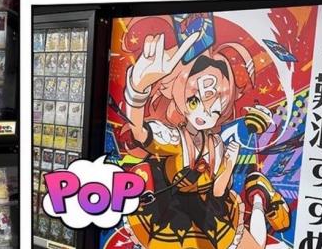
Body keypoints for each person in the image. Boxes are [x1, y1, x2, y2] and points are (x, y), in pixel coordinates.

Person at [120, 27, 290, 249]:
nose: (204, 113)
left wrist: (229, 164)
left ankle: (258, 196)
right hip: (173, 215)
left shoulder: (216, 144)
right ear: (180, 95)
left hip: (208, 212)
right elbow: (139, 132)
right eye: (195, 101)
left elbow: (218, 192)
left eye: (215, 110)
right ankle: (258, 194)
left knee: (256, 247)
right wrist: (137, 88)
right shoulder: (175, 138)